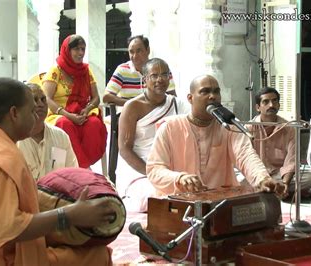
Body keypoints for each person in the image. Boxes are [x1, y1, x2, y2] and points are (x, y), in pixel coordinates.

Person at [0, 78, 115, 266]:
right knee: (97, 256)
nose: (37, 115)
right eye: (31, 110)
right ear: (14, 113)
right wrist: (69, 215)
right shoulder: (2, 159)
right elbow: (9, 229)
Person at [146, 75, 286, 197]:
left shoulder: (228, 125)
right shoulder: (170, 127)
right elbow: (154, 170)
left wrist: (262, 178)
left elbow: (245, 155)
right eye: (205, 92)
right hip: (179, 199)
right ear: (190, 98)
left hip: (219, 200)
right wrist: (179, 178)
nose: (212, 96)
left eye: (216, 92)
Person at [117, 58, 189, 212]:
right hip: (140, 170)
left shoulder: (177, 104)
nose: (160, 79)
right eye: (154, 76)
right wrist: (152, 173)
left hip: (170, 168)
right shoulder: (132, 107)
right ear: (145, 80)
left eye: (164, 75)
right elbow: (124, 149)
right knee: (152, 197)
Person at [42, 34, 107, 169]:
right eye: (77, 49)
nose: (81, 53)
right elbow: (46, 98)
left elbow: (96, 98)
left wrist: (87, 109)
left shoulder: (86, 71)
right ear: (67, 50)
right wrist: (67, 114)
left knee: (94, 124)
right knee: (63, 124)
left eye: (83, 49)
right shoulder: (56, 71)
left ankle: (83, 165)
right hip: (58, 114)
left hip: (82, 113)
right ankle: (82, 169)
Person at [247, 87, 311, 197]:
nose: (271, 105)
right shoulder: (249, 128)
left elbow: (291, 160)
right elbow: (247, 161)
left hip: (279, 175)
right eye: (266, 102)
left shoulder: (289, 128)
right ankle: (273, 189)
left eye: (274, 101)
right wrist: (262, 178)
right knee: (238, 180)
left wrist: (285, 183)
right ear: (258, 107)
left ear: (279, 105)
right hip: (257, 175)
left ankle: (275, 190)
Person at [17, 83, 78, 180]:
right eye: (35, 100)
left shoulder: (61, 136)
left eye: (43, 99)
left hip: (58, 193)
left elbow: (73, 175)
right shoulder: (14, 141)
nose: (40, 104)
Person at [103, 35, 176, 106]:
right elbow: (106, 97)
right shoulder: (122, 70)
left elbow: (172, 96)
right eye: (131, 52)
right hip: (129, 115)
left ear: (148, 50)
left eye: (139, 51)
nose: (135, 56)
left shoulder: (161, 68)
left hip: (156, 114)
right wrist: (134, 104)